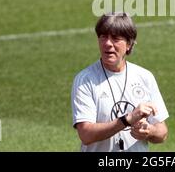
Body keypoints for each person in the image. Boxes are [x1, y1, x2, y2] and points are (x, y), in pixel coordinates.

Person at [71, 12, 169, 152]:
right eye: (103, 37)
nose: (107, 44)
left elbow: (162, 132)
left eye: (115, 38)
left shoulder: (144, 77)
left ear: (129, 44)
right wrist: (127, 120)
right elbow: (86, 134)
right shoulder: (85, 80)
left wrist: (149, 131)